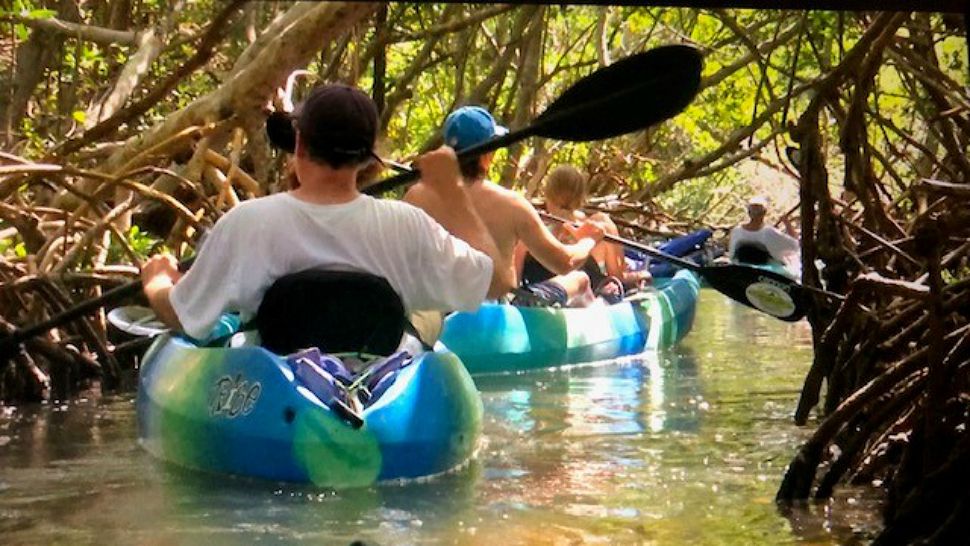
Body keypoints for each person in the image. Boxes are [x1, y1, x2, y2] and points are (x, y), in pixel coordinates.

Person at [141, 84, 513, 343]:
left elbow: (182, 316)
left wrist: (157, 282)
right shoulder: (407, 225)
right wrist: (453, 192)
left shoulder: (247, 222)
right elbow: (498, 284)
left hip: (277, 399)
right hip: (376, 391)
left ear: (299, 143)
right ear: (369, 157)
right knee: (425, 320)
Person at [404, 106, 605, 308]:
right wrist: (588, 240)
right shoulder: (512, 205)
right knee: (579, 278)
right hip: (490, 316)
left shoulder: (415, 196)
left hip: (429, 307)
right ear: (487, 156)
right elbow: (564, 263)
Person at [516, 164, 652, 300]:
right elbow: (619, 277)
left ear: (547, 194)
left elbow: (513, 282)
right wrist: (640, 275)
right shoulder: (600, 226)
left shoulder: (530, 230)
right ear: (581, 197)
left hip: (540, 298)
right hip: (586, 299)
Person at [728, 195, 801, 274]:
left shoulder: (736, 231)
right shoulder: (769, 233)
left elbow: (731, 256)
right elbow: (795, 245)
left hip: (742, 268)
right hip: (767, 271)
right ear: (764, 213)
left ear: (749, 212)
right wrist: (787, 223)